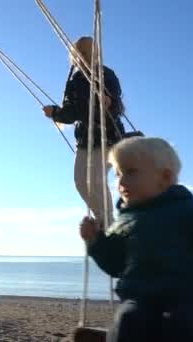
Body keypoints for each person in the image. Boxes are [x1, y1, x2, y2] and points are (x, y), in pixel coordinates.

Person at [79, 137, 193, 341]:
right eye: (118, 174)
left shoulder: (191, 212)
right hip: (140, 300)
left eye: (131, 172)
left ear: (166, 177)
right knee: (128, 320)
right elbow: (115, 264)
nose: (121, 181)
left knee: (188, 326)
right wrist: (96, 241)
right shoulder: (124, 221)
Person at [43, 36, 125, 226]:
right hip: (84, 139)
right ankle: (101, 219)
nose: (85, 56)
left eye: (88, 52)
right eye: (81, 53)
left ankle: (108, 223)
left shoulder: (107, 74)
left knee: (96, 180)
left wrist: (109, 100)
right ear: (75, 55)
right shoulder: (74, 80)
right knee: (80, 182)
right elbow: (71, 114)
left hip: (108, 137)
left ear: (96, 54)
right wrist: (55, 113)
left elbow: (116, 103)